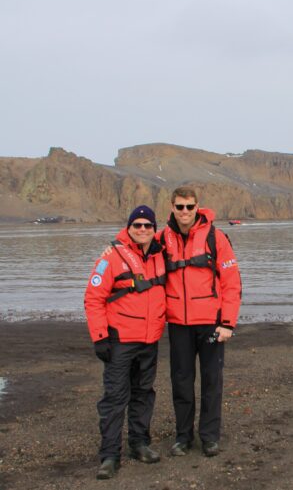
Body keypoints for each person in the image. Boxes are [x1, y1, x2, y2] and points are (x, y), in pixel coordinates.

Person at [84, 206, 166, 480]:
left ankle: (139, 444)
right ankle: (109, 456)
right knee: (115, 398)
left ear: (154, 229)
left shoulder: (159, 255)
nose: (142, 229)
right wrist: (100, 337)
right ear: (129, 227)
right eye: (137, 225)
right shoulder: (111, 257)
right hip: (120, 341)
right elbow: (93, 297)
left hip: (149, 340)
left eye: (147, 225)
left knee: (143, 394)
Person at [162, 186, 241, 457]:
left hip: (211, 323)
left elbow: (231, 282)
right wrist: (111, 247)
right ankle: (183, 437)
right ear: (172, 208)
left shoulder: (216, 238)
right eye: (180, 206)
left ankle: (209, 437)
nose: (185, 211)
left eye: (189, 206)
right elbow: (135, 246)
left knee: (211, 382)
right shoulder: (163, 238)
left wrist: (228, 323)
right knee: (181, 383)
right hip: (178, 324)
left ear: (197, 207)